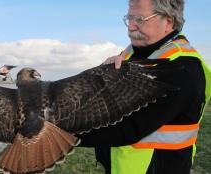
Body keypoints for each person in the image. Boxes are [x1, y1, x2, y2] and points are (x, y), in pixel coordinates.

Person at [77, 0, 211, 174]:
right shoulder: (132, 54)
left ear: (168, 21)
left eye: (140, 19)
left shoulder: (182, 68)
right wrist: (102, 75)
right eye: (129, 18)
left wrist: (55, 132)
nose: (131, 27)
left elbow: (127, 127)